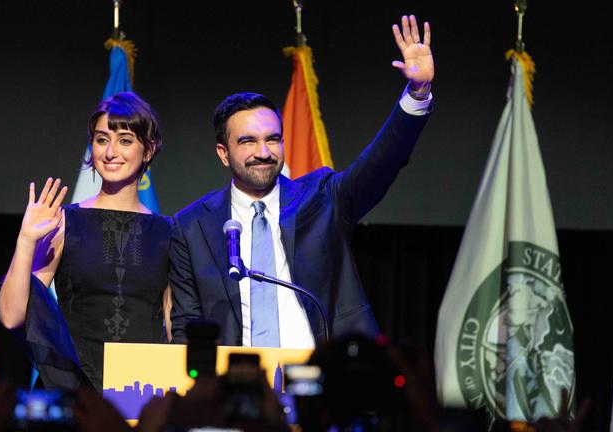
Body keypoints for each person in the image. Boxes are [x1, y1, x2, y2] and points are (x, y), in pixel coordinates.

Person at [169, 15, 435, 347]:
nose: (263, 152)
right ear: (223, 153)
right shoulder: (191, 227)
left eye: (273, 139)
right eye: (248, 141)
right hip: (239, 383)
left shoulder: (323, 198)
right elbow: (186, 326)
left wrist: (417, 92)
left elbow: (382, 163)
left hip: (324, 381)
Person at [0, 92, 172, 392]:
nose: (110, 151)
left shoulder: (168, 232)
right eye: (102, 139)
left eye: (126, 140)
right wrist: (26, 240)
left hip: (142, 392)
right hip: (73, 390)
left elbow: (170, 325)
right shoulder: (64, 221)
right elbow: (12, 316)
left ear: (149, 150)